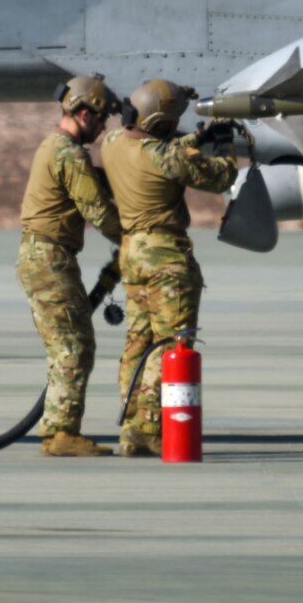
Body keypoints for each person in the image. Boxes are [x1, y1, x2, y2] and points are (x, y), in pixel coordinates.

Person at [99, 80, 243, 457]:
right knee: (172, 344)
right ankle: (149, 428)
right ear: (161, 122)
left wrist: (192, 136)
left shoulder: (112, 143)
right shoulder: (167, 158)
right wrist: (224, 140)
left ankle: (132, 425)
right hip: (164, 257)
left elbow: (156, 146)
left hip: (132, 252)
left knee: (139, 342)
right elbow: (222, 175)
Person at [17, 75, 124, 457]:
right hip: (49, 257)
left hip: (44, 256)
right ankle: (61, 433)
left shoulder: (56, 147)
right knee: (73, 345)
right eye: (100, 120)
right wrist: (134, 240)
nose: (103, 128)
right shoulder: (69, 154)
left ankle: (59, 428)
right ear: (83, 113)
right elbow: (97, 210)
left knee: (70, 343)